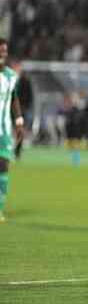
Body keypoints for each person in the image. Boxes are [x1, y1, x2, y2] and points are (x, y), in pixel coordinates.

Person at [0, 39, 25, 222]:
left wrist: (19, 121)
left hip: (4, 130)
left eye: (4, 52)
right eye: (0, 51)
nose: (2, 54)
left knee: (4, 165)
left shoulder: (10, 76)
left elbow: (15, 98)